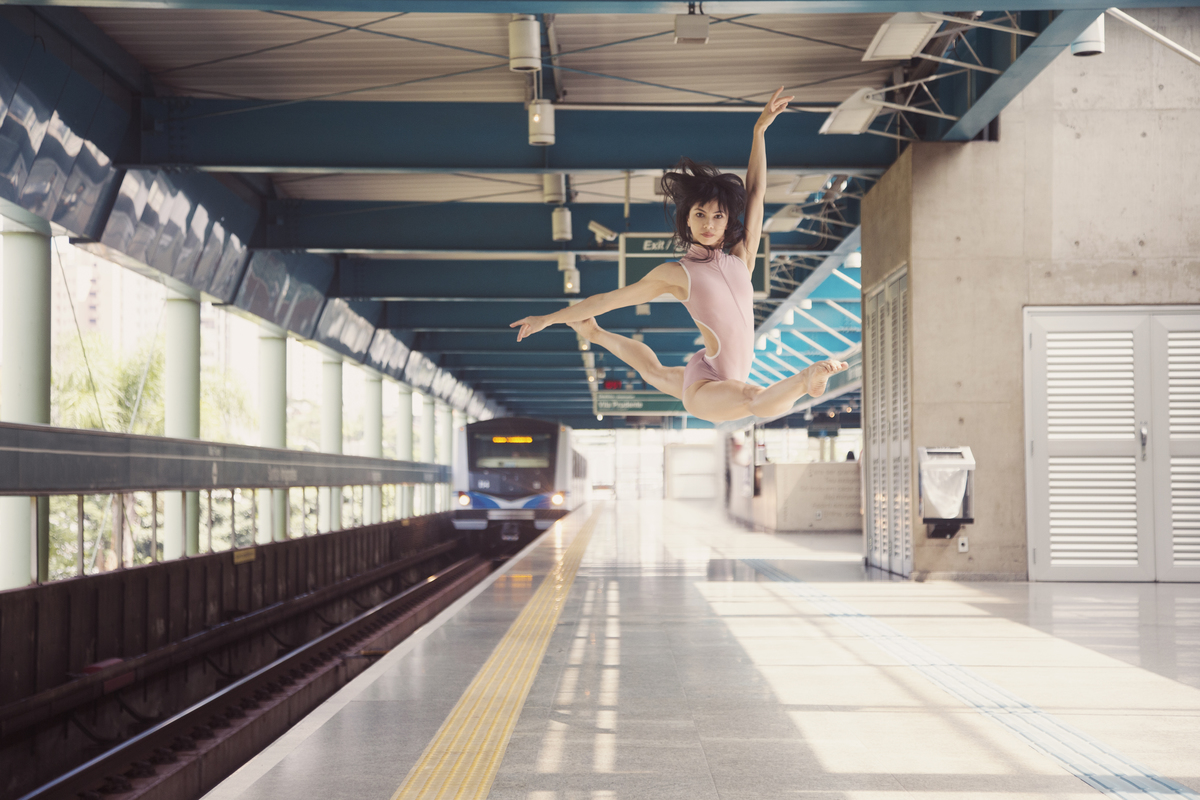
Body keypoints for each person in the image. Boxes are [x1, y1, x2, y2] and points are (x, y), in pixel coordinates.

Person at [510, 88, 849, 424]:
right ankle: (805, 379)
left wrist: (759, 130)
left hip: (709, 368)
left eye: (717, 216)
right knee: (752, 398)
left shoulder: (741, 259)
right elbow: (608, 299)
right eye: (700, 215)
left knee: (654, 371)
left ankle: (595, 334)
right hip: (706, 389)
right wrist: (547, 319)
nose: (708, 224)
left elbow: (756, 192)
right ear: (687, 219)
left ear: (727, 221)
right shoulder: (677, 273)